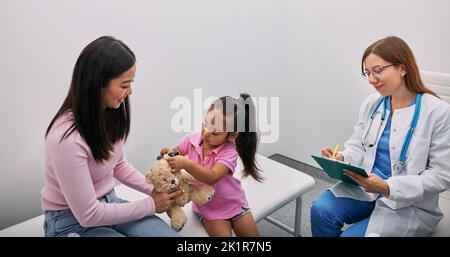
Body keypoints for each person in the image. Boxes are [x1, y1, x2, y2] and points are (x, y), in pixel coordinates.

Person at [41, 36, 183, 237]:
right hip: (70, 221)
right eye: (124, 85)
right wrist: (151, 205)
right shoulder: (66, 140)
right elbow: (88, 215)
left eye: (131, 83)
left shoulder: (108, 113)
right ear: (98, 84)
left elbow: (117, 164)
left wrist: (155, 189)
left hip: (110, 203)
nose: (130, 91)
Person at [310, 36, 450, 237]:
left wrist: (387, 186)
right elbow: (358, 146)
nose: (371, 79)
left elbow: (442, 176)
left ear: (402, 68)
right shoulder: (372, 104)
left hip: (408, 204)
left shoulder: (438, 112)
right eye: (367, 72)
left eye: (378, 70)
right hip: (365, 188)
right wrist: (341, 157)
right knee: (321, 210)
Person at [160, 93, 263, 237]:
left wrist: (186, 164)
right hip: (208, 207)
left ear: (232, 135)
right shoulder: (192, 139)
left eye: (215, 132)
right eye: (206, 124)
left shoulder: (229, 151)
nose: (207, 133)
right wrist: (169, 153)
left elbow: (212, 177)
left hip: (234, 202)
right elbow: (177, 151)